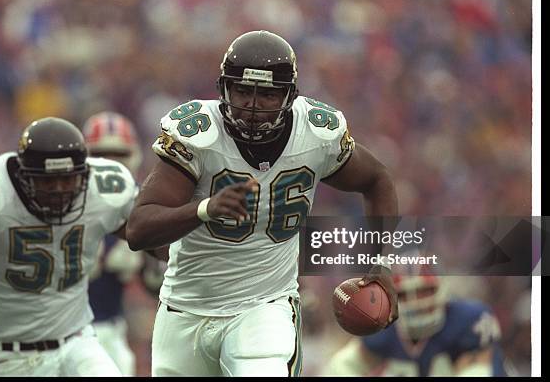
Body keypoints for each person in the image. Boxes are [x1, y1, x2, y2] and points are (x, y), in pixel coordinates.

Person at [126, 30, 399, 376]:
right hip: (185, 309)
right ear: (224, 88)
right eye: (242, 90)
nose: (253, 106)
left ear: (289, 95)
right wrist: (204, 209)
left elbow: (377, 179)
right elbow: (139, 228)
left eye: (268, 95)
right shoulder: (198, 135)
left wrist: (382, 261)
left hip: (264, 307)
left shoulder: (316, 134)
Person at [0, 117, 138, 376]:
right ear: (24, 178)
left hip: (79, 340)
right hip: (9, 356)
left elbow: (152, 238)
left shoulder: (104, 188)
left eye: (67, 180)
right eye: (48, 182)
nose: (59, 190)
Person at [82, 111, 166, 376]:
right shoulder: (70, 202)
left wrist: (153, 261)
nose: (109, 163)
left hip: (112, 328)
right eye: (100, 155)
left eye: (118, 155)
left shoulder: (139, 205)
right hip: (67, 331)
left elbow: (156, 284)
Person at [322, 274, 507, 376]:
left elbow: (480, 370)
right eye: (405, 294)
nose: (417, 302)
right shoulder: (382, 328)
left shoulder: (467, 320)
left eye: (425, 291)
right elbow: (340, 368)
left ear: (442, 288)